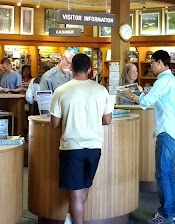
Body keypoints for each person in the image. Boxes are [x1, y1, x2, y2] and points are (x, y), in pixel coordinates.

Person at [50, 54, 113, 224]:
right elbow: (107, 120)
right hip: (94, 147)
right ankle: (71, 219)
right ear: (90, 69)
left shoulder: (61, 91)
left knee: (76, 194)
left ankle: (73, 219)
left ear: (71, 68)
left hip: (72, 147)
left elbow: (55, 123)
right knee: (85, 187)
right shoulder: (101, 90)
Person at [123, 50, 175, 224]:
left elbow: (146, 102)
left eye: (152, 63)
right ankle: (172, 211)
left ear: (159, 62)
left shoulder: (163, 81)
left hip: (166, 131)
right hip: (174, 131)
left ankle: (165, 214)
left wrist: (131, 95)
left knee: (163, 174)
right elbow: (156, 100)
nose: (151, 67)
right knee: (169, 173)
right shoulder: (174, 81)